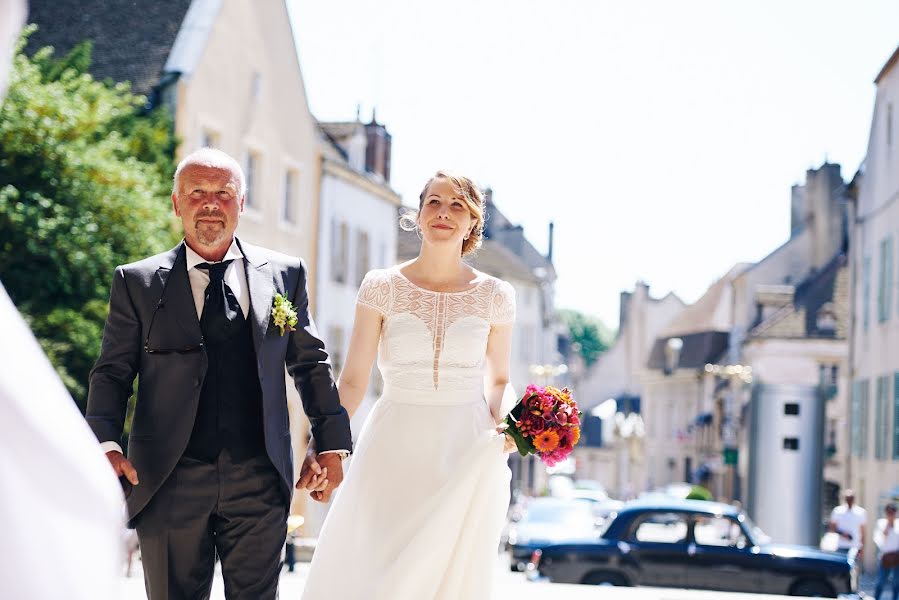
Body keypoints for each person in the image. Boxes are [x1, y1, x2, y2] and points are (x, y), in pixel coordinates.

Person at [86, 148, 352, 599]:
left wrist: (332, 444)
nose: (210, 203)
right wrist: (106, 446)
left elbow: (310, 362)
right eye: (197, 193)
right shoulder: (137, 282)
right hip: (168, 480)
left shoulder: (285, 275)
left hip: (260, 479)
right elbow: (112, 373)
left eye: (223, 193)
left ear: (242, 204)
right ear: (176, 203)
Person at [299, 171, 518, 599]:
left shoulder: (496, 294)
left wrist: (511, 421)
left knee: (444, 576)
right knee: (379, 569)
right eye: (434, 202)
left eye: (458, 205)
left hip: (465, 449)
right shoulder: (382, 286)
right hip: (393, 445)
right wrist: (324, 442)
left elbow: (500, 380)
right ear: (417, 216)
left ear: (473, 222)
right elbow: (354, 379)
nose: (443, 213)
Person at [830, 489, 867, 556]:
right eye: (847, 498)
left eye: (851, 498)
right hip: (841, 545)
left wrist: (862, 547)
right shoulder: (838, 511)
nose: (849, 500)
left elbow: (863, 531)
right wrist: (843, 533)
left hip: (855, 546)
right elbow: (832, 528)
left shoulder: (860, 512)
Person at [874, 503, 899, 600]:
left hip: (897, 557)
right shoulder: (881, 523)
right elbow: (878, 540)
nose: (891, 514)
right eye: (889, 512)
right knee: (881, 581)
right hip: (885, 557)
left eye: (892, 512)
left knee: (896, 582)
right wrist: (888, 527)